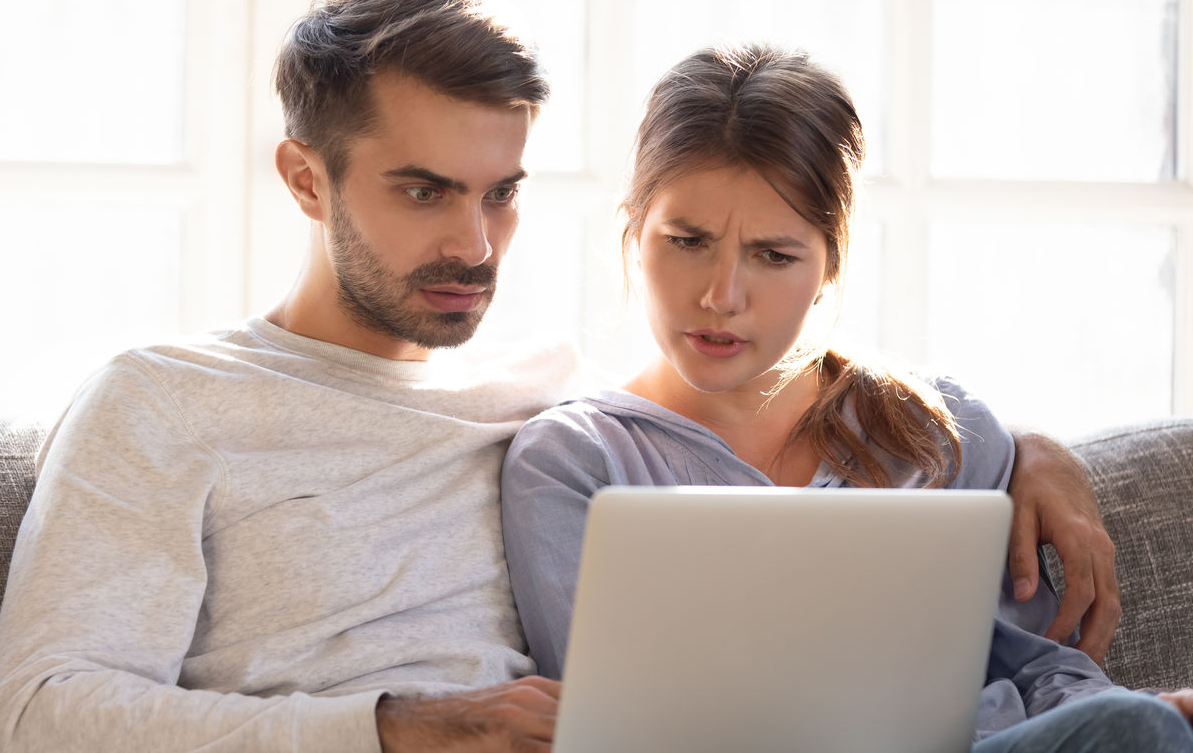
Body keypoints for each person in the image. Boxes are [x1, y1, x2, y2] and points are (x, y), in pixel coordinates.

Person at [0, 0, 1119, 752]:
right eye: (422, 191)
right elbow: (32, 716)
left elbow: (766, 429)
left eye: (501, 193)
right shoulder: (163, 399)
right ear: (304, 178)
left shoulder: (536, 395)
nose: (474, 247)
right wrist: (392, 727)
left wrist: (1026, 453)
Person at [500, 42, 1193, 749]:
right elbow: (601, 724)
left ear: (831, 261)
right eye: (687, 240)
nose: (720, 295)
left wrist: (1146, 717)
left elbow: (1042, 671)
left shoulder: (938, 434)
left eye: (774, 255)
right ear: (633, 235)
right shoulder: (572, 462)